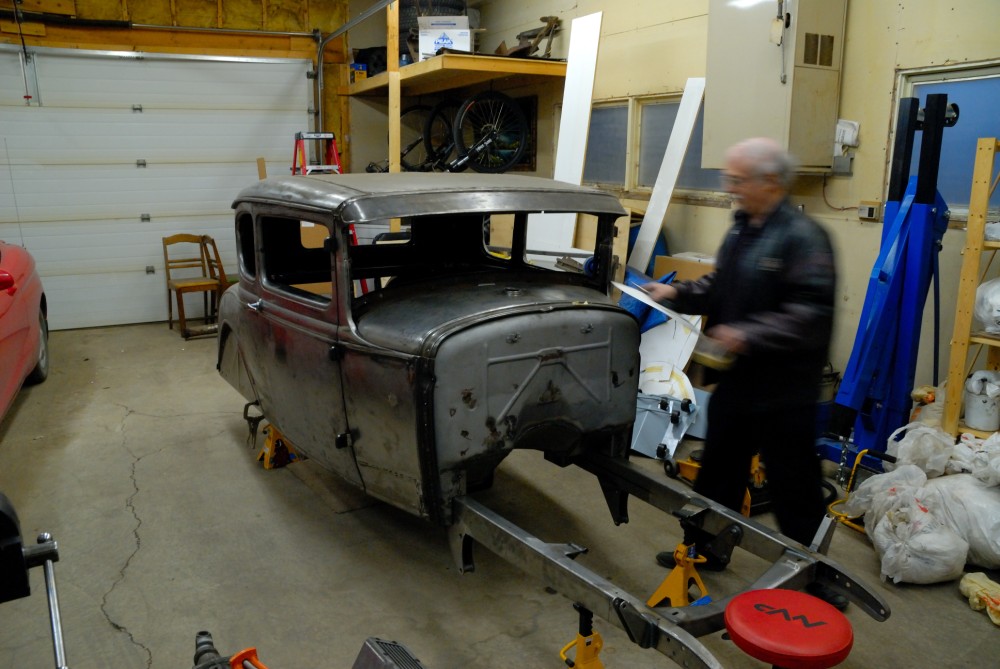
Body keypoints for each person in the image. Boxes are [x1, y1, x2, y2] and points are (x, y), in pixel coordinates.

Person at [643, 137, 843, 607]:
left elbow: (811, 313)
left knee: (795, 485)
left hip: (786, 388)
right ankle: (706, 549)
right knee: (718, 471)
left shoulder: (805, 237)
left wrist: (749, 334)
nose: (729, 188)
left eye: (737, 180)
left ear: (769, 181)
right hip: (741, 380)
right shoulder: (741, 230)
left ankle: (820, 577)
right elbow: (722, 283)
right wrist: (679, 294)